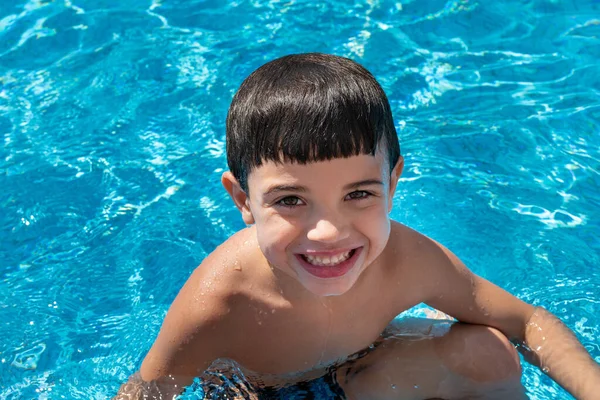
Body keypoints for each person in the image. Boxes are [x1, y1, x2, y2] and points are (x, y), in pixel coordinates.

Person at [116, 53, 600, 399]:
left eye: (359, 194)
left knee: (487, 351)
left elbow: (529, 322)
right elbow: (144, 393)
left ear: (393, 184)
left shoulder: (407, 261)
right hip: (255, 392)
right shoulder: (220, 300)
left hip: (361, 374)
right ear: (243, 200)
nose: (328, 232)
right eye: (290, 200)